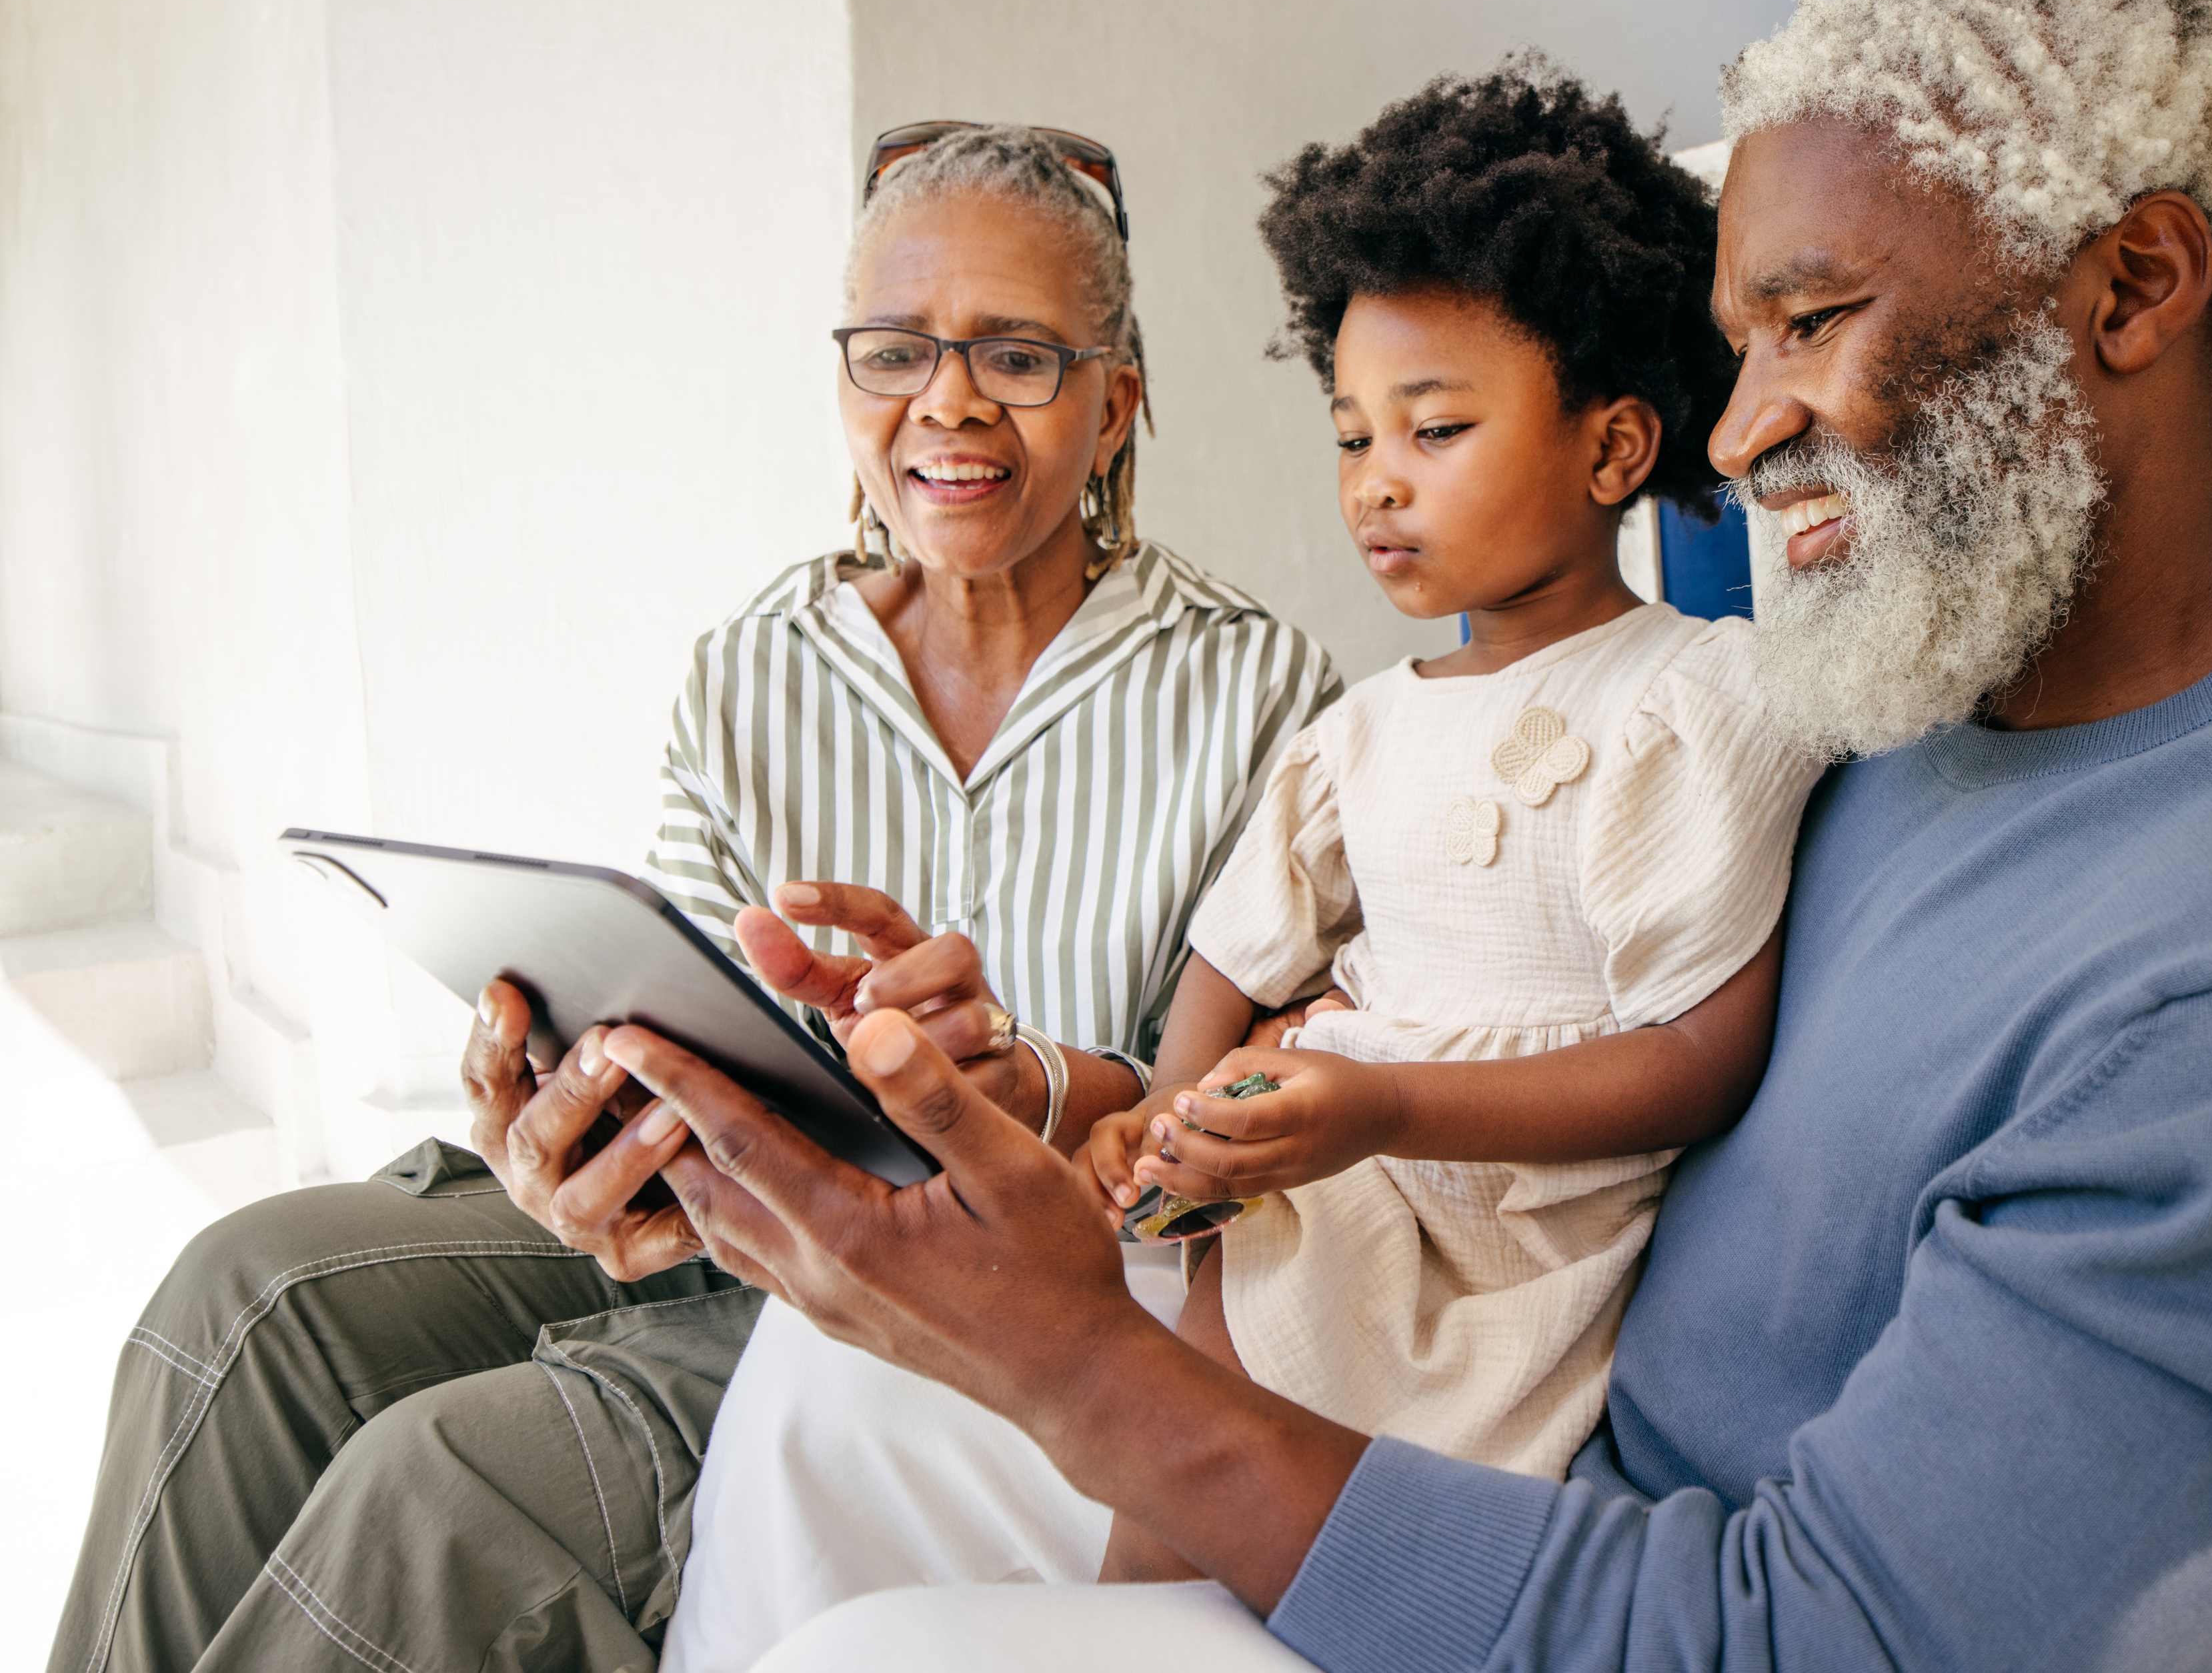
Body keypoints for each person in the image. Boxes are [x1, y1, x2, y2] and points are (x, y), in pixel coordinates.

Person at [601, 0, 2212, 1673]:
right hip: (1481, 1422)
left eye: (1814, 323)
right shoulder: (1915, 695)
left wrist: (1087, 1361)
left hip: (1614, 1581)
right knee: (825, 1389)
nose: (1742, 431)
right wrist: (1040, 1098)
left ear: (2136, 285)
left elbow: (1809, 1637)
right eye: (1738, 344)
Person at [49, 123, 1337, 1673]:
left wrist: (1028, 1083)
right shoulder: (756, 669)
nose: (946, 402)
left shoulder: (1257, 691)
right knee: (243, 1296)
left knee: (431, 1488)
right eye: (894, 352)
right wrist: (571, 1124)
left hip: (970, 1275)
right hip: (718, 1209)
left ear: (1115, 401)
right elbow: (684, 991)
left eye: (1016, 356)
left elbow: (1230, 1111)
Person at [1070, 62, 1822, 1578]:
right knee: (1193, 1350)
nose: (1375, 487)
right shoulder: (1361, 724)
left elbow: (1695, 1054)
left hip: (1511, 1232)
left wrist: (1387, 1110)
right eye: (1352, 437)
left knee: (1234, 1361)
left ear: (1610, 451)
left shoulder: (1689, 692)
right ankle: (1132, 1612)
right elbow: (1239, 940)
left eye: (1432, 431)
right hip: (1335, 1163)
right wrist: (1167, 1106)